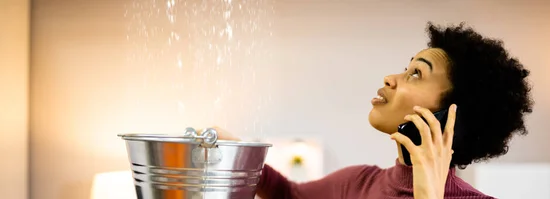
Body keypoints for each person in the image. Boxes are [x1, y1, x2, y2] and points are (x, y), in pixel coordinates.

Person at [212, 22, 533, 199]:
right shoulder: (357, 183)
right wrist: (237, 149)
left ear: (451, 116)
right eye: (406, 69)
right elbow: (286, 194)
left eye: (416, 74)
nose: (390, 79)